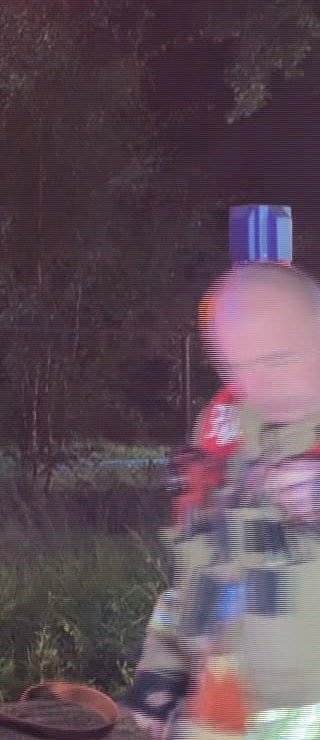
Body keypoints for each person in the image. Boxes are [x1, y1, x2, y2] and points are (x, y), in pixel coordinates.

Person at [126, 262, 320, 740]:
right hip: (222, 708)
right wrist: (163, 673)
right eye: (239, 365)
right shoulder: (224, 454)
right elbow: (192, 582)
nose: (259, 382)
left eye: (278, 358)